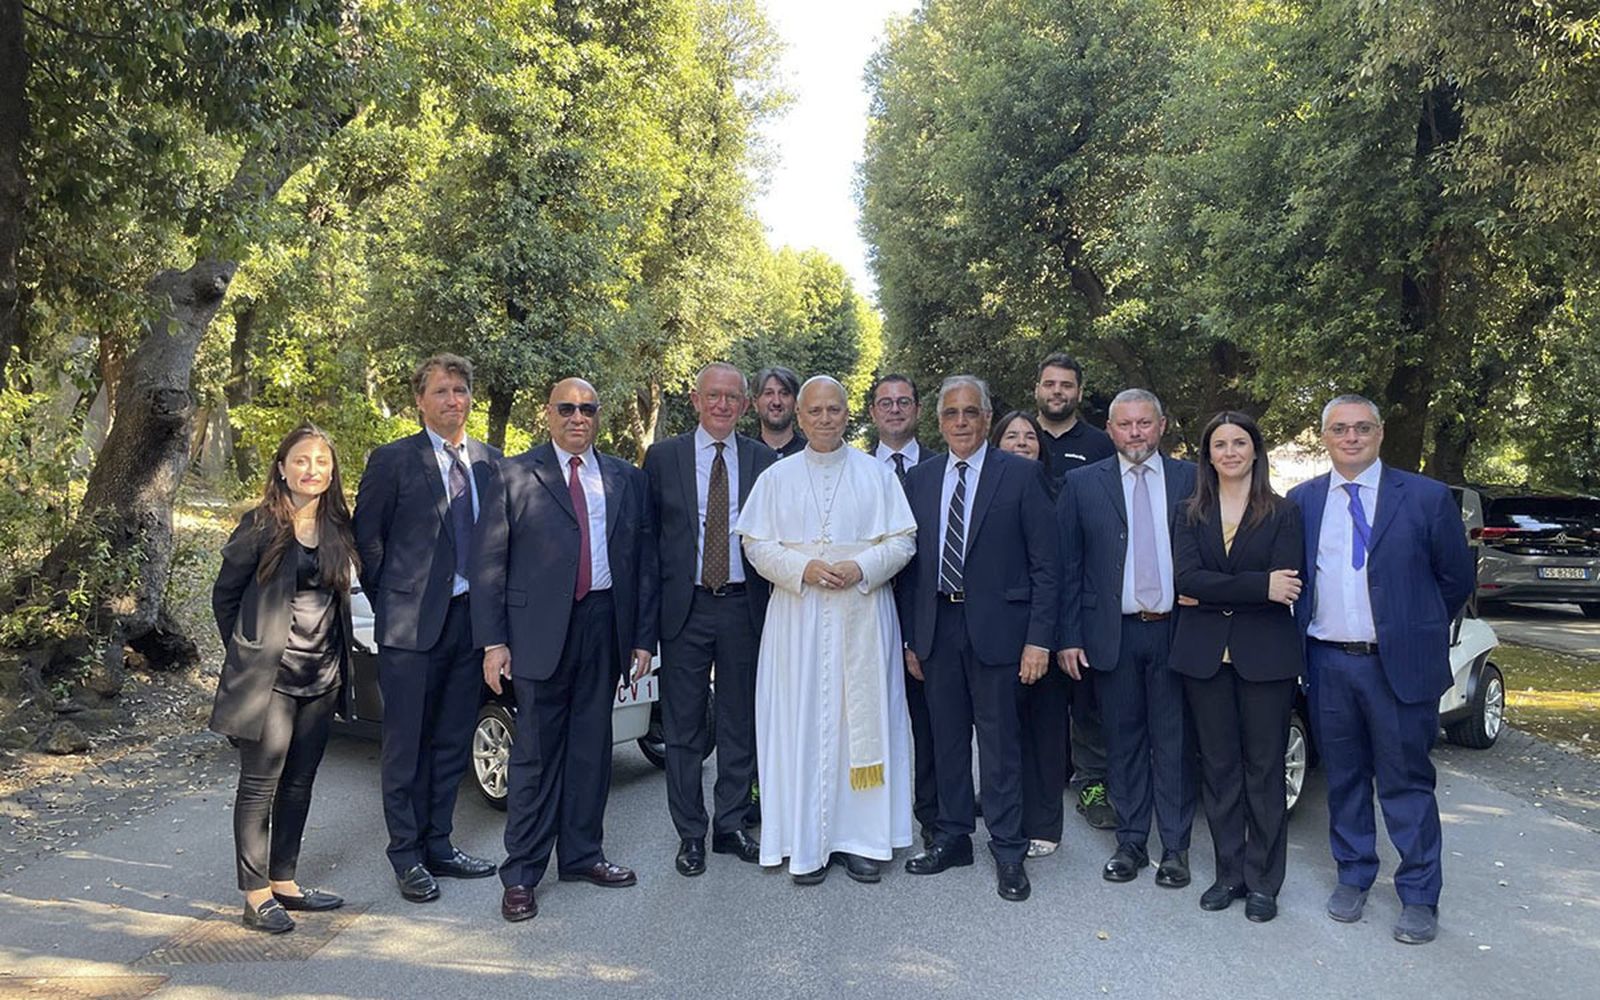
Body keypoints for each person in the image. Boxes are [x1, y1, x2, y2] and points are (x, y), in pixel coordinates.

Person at [1287, 394, 1473, 945]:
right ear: (1325, 437)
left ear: (1380, 433)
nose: (1351, 437)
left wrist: (1412, 631)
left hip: (1398, 667)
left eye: (1362, 428)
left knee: (1406, 782)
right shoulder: (1302, 501)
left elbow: (1455, 580)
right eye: (1340, 429)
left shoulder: (1426, 497)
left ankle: (1419, 894)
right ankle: (1353, 875)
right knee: (1344, 778)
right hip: (1328, 663)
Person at [474, 378, 658, 922]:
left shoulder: (626, 478)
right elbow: (489, 564)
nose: (578, 417)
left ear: (599, 415)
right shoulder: (513, 474)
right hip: (537, 632)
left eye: (588, 409)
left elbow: (643, 563)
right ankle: (522, 874)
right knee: (535, 755)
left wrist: (642, 638)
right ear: (548, 414)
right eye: (567, 408)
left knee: (591, 750)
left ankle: (582, 855)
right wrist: (494, 642)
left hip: (604, 625)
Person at [735, 375, 917, 885]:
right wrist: (804, 569)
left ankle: (861, 840)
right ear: (800, 415)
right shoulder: (776, 478)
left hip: (864, 612)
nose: (824, 418)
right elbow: (755, 545)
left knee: (860, 723)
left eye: (833, 409)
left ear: (846, 413)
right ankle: (803, 843)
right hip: (798, 617)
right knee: (801, 722)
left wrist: (862, 567)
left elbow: (903, 541)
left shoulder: (875, 474)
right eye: (814, 411)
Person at [901, 376, 1057, 903]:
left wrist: (1039, 640)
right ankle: (953, 837)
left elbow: (1047, 566)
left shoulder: (1022, 475)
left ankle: (1008, 849)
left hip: (1002, 633)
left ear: (988, 418)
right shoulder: (920, 480)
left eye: (971, 412)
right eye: (951, 413)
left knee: (1000, 745)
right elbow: (911, 569)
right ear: (938, 421)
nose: (961, 422)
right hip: (938, 628)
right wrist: (911, 638)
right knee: (945, 740)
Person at [353, 354, 501, 904]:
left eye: (460, 390)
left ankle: (440, 843)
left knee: (451, 741)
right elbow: (367, 540)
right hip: (409, 628)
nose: (452, 400)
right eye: (441, 391)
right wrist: (391, 603)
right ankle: (406, 854)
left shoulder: (490, 462)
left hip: (470, 624)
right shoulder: (393, 460)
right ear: (420, 400)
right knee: (406, 746)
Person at [211, 425, 356, 933]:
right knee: (259, 785)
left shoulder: (339, 526)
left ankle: (284, 881)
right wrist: (248, 650)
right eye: (301, 460)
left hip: (324, 675)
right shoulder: (259, 524)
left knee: (299, 782)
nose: (311, 469)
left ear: (331, 472)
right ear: (282, 467)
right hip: (270, 678)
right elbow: (225, 596)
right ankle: (255, 896)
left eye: (321, 461)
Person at [1057, 388, 1198, 888]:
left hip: (1175, 633)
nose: (1135, 433)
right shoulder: (1082, 483)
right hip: (1112, 634)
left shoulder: (1191, 479)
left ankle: (1175, 848)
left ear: (1161, 426)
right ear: (1110, 430)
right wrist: (1069, 636)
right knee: (1124, 741)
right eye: (1125, 424)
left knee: (1174, 743)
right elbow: (1069, 566)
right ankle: (1132, 841)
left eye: (1144, 423)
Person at [643, 363, 777, 877]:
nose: (722, 405)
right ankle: (690, 834)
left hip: (745, 606)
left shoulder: (762, 460)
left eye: (732, 397)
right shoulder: (663, 458)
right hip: (686, 607)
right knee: (684, 728)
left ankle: (730, 824)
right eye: (713, 396)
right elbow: (647, 541)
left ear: (745, 405)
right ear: (696, 401)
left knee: (740, 720)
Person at [1171, 411, 1304, 923]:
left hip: (1265, 658)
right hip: (1205, 657)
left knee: (1264, 770)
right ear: (1207, 455)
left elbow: (1286, 586)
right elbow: (1186, 578)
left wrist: (1214, 592)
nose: (1230, 452)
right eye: (1220, 444)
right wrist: (1258, 586)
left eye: (1239, 443)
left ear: (1255, 450)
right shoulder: (1189, 512)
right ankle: (1228, 874)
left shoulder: (1284, 512)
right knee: (1219, 768)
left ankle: (1264, 881)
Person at [1033, 352, 1118, 832]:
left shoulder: (1101, 445)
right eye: (1050, 384)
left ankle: (1093, 782)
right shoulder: (1022, 437)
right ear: (1037, 389)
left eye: (1066, 385)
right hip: (1030, 584)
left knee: (1086, 695)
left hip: (1085, 582)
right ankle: (1031, 778)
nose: (1057, 392)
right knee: (1034, 694)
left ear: (1079, 393)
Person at [866, 373, 938, 848]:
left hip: (926, 616)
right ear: (873, 412)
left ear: (917, 409)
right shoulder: (853, 470)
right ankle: (869, 820)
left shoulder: (940, 467)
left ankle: (932, 818)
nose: (895, 409)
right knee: (867, 720)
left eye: (904, 401)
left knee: (929, 724)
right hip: (865, 612)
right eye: (886, 402)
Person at [989, 409, 1065, 860]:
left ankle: (1044, 822)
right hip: (1000, 633)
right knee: (1004, 733)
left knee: (1045, 732)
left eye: (1030, 436)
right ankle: (1006, 814)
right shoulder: (988, 493)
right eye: (1011, 436)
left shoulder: (1060, 491)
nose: (1021, 442)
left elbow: (1053, 570)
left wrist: (1046, 636)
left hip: (1045, 629)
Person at [752, 365, 808, 456]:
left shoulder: (810, 453)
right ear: (755, 403)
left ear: (796, 403)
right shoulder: (745, 456)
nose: (777, 402)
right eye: (769, 393)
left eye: (784, 394)